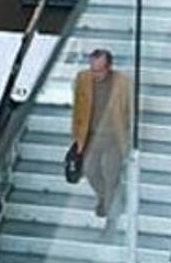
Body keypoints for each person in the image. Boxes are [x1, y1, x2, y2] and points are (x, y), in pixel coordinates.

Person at [71, 49, 132, 218]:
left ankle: (108, 211)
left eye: (99, 70)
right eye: (92, 69)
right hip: (91, 136)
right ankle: (106, 196)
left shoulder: (123, 83)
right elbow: (78, 108)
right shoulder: (83, 79)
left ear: (109, 67)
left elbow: (129, 112)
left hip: (113, 136)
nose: (95, 74)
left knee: (110, 172)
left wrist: (126, 140)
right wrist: (76, 137)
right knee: (89, 169)